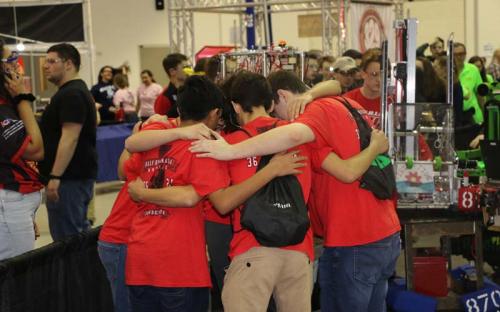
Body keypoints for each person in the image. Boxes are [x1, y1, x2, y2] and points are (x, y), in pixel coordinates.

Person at [190, 71, 401, 312]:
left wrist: (230, 152)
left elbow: (223, 202)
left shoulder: (292, 129)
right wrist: (375, 147)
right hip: (327, 245)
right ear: (268, 102)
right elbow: (335, 85)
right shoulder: (345, 105)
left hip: (340, 238)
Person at [124, 75, 304, 312]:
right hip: (179, 266)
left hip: (140, 259)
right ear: (215, 113)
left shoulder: (152, 140)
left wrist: (143, 192)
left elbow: (126, 158)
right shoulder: (205, 148)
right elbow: (200, 198)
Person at [40, 43, 98, 241]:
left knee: (70, 242)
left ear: (68, 64)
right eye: (45, 62)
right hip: (71, 178)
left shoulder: (72, 94)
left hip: (69, 179)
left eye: (52, 61)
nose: (45, 66)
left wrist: (55, 176)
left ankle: (79, 273)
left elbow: (70, 137)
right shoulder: (72, 92)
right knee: (73, 238)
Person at [0, 42, 44, 260]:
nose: (17, 66)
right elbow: (35, 150)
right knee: (19, 279)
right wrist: (23, 98)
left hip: (13, 202)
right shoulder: (3, 108)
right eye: (10, 61)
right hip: (9, 200)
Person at [454, 42, 484, 125]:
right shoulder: (448, 71)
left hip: (473, 115)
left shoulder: (473, 69)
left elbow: (480, 94)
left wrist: (484, 113)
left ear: (465, 54)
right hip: (455, 116)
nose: (458, 57)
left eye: (461, 54)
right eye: (455, 54)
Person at [153, 53, 189, 117]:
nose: (189, 70)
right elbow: (160, 124)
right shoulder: (164, 98)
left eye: (189, 67)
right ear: (172, 71)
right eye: (185, 67)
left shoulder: (191, 90)